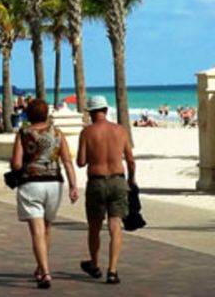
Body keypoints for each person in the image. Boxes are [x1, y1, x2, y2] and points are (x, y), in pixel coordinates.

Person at [10, 98, 79, 289]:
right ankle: (41, 268)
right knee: (47, 229)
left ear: (28, 115)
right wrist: (73, 186)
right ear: (46, 115)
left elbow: (16, 163)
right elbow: (67, 161)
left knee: (37, 231)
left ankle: (45, 272)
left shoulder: (23, 133)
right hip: (54, 184)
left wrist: (18, 165)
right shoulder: (57, 133)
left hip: (31, 184)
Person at [77, 95, 135, 286]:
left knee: (94, 226)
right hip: (118, 180)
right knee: (115, 226)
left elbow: (81, 162)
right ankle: (112, 270)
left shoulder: (87, 132)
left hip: (97, 181)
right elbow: (130, 159)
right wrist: (132, 179)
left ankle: (94, 264)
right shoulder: (120, 130)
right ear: (106, 110)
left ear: (91, 113)